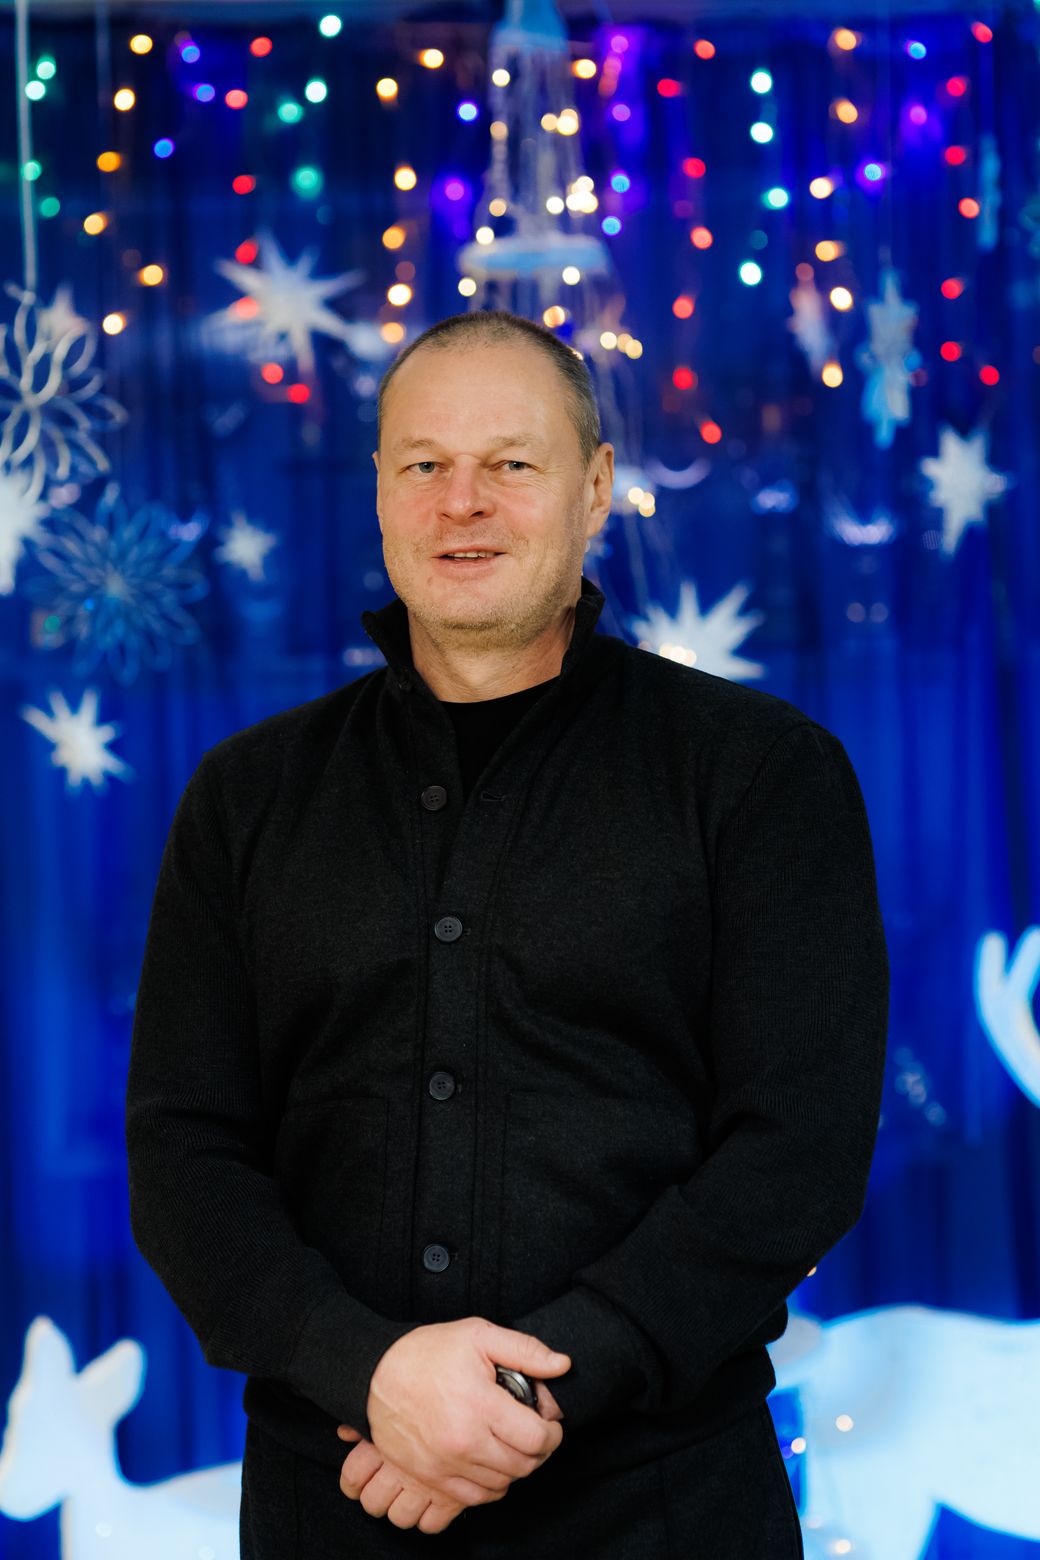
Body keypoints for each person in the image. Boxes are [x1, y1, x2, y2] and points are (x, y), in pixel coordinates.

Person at [125, 308, 889, 1559]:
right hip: (335, 1501)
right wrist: (366, 1369)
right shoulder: (246, 797)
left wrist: (525, 1398)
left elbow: (794, 1152)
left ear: (594, 487)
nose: (460, 502)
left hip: (664, 1510)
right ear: (379, 489)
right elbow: (183, 1150)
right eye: (423, 463)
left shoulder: (760, 776)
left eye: (510, 463)